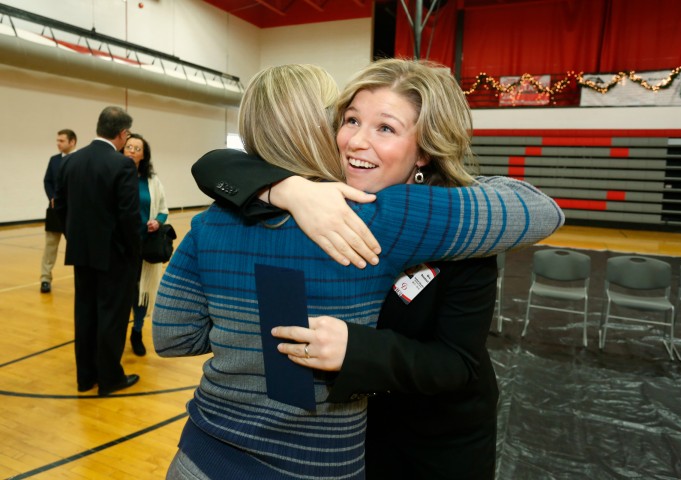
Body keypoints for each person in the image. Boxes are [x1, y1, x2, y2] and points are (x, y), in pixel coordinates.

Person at [154, 63, 563, 479]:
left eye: (385, 128)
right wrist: (289, 189)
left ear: (424, 149)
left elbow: (173, 337)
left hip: (421, 443)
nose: (357, 141)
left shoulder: (429, 217)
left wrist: (352, 349)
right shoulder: (367, 212)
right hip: (330, 452)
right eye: (350, 120)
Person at [54, 106, 141, 396]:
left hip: (81, 253)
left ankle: (85, 377)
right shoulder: (122, 165)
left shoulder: (71, 162)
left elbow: (60, 207)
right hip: (114, 255)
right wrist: (135, 250)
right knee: (112, 317)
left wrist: (75, 239)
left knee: (86, 314)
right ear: (122, 133)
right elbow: (128, 216)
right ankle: (110, 378)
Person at [123, 133, 168, 356]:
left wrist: (157, 222)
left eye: (136, 148)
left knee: (142, 292)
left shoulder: (152, 181)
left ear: (143, 155)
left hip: (144, 245)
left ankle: (137, 331)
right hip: (120, 246)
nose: (131, 150)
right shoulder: (116, 175)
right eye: (128, 146)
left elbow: (163, 210)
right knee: (123, 290)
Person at [40, 129, 77, 293]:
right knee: (50, 246)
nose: (58, 143)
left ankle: (82, 279)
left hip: (74, 212)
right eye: (57, 140)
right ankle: (45, 278)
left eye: (61, 141)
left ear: (72, 142)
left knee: (77, 247)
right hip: (55, 210)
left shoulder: (79, 159)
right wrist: (52, 198)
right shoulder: (53, 160)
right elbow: (47, 181)